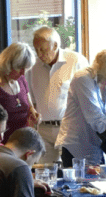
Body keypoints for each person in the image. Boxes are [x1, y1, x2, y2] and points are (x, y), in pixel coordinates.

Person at [56, 50, 106, 168]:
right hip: (77, 146)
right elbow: (97, 121)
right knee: (79, 179)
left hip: (99, 148)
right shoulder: (82, 79)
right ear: (99, 72)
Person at [28, 26, 88, 163]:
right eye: (36, 50)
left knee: (71, 168)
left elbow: (88, 94)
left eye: (43, 49)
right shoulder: (33, 66)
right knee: (44, 171)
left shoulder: (76, 61)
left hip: (69, 128)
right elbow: (32, 99)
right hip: (43, 129)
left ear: (55, 45)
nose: (39, 54)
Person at [0, 43, 38, 142]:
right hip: (2, 144)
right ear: (8, 64)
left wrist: (33, 113)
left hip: (23, 142)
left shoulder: (21, 80)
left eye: (26, 69)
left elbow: (29, 107)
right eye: (20, 68)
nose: (23, 73)